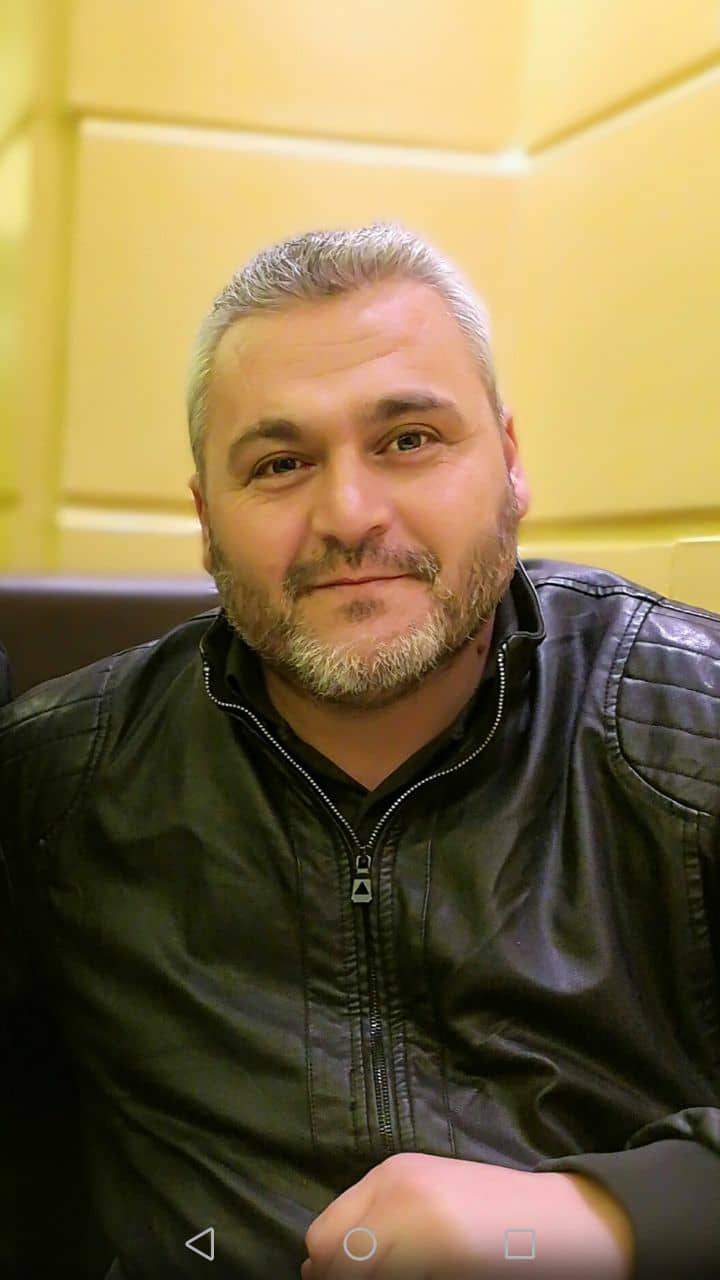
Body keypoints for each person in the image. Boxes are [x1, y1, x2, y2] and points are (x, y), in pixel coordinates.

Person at [0, 221, 718, 1280]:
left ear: (510, 462)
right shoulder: (54, 783)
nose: (348, 514)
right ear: (206, 517)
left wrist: (612, 1219)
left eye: (410, 439)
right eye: (280, 463)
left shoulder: (692, 724)